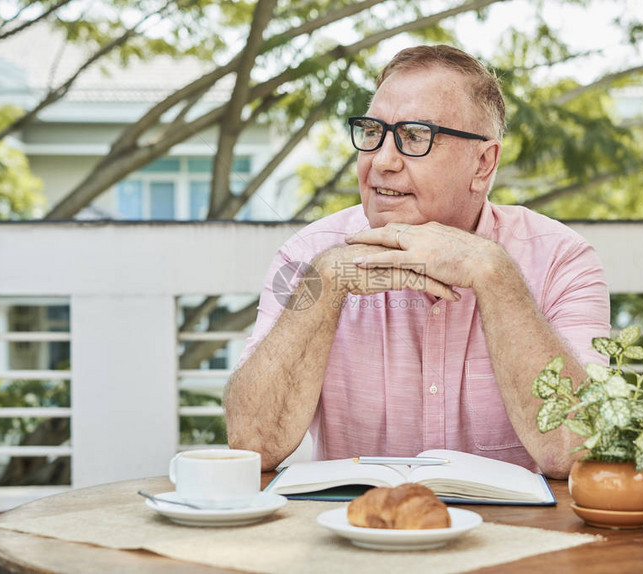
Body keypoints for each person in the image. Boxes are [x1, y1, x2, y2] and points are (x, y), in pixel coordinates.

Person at [224, 45, 610, 479]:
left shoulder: (562, 259)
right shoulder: (306, 256)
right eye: (373, 132)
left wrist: (493, 274)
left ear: (483, 164)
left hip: (515, 537)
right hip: (354, 533)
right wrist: (328, 280)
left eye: (414, 136)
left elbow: (579, 452)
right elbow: (251, 444)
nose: (382, 162)